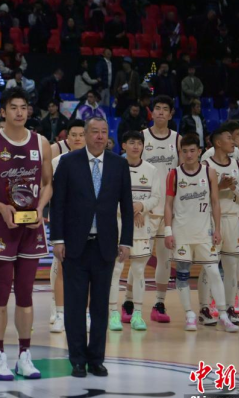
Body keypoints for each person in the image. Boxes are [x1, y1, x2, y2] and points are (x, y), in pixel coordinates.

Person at [0, 87, 52, 380]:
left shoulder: (41, 143)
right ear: (3, 111)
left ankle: (24, 355)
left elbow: (48, 183)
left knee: (26, 293)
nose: (19, 112)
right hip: (2, 225)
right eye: (13, 107)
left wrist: (40, 207)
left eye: (23, 107)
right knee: (1, 293)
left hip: (32, 227)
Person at [50, 117, 133, 377]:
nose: (99, 136)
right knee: (75, 306)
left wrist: (126, 240)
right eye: (94, 132)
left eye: (104, 132)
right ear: (85, 135)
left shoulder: (119, 164)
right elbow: (58, 203)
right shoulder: (68, 162)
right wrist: (57, 239)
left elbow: (127, 206)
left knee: (100, 306)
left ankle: (96, 358)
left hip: (105, 246)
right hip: (74, 246)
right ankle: (77, 359)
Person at [164, 133, 239, 333]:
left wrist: (217, 229)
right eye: (185, 151)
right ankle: (189, 314)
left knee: (213, 271)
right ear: (180, 153)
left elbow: (215, 202)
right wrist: (168, 231)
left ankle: (223, 315)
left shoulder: (209, 172)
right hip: (181, 233)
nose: (189, 155)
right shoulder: (174, 174)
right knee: (182, 274)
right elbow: (168, 205)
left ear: (199, 151)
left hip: (204, 232)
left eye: (192, 151)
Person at [134, 95, 181, 324]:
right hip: (145, 209)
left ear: (171, 114)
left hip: (169, 209)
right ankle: (129, 303)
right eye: (157, 108)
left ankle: (159, 304)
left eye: (165, 109)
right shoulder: (141, 138)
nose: (161, 112)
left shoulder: (178, 140)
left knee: (165, 259)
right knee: (138, 259)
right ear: (151, 112)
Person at [108, 130, 160, 331]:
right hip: (117, 226)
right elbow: (107, 196)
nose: (136, 146)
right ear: (123, 145)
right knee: (115, 271)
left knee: (139, 272)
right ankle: (113, 315)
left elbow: (156, 197)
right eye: (131, 142)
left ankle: (137, 315)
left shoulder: (151, 170)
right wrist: (130, 210)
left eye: (139, 143)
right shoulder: (113, 167)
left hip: (141, 227)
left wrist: (142, 206)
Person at [201, 128, 239, 327]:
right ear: (218, 143)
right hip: (211, 220)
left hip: (232, 219)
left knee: (232, 268)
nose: (233, 142)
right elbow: (199, 194)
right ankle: (204, 308)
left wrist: (232, 187)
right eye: (229, 138)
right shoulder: (206, 165)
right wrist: (218, 186)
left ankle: (230, 308)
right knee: (209, 267)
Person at [48, 120, 86, 333]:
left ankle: (85, 314)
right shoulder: (57, 162)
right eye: (74, 135)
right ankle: (59, 312)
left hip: (89, 224)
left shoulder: (97, 161)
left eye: (82, 134)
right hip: (64, 223)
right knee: (60, 267)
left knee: (88, 271)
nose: (78, 138)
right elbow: (52, 194)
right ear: (67, 139)